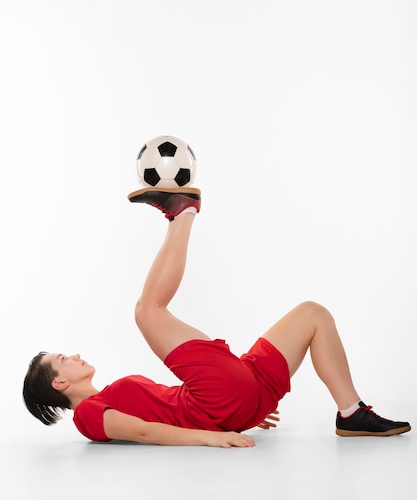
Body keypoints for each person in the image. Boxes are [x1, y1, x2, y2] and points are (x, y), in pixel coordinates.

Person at [23, 187, 411, 448]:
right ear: (59, 383)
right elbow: (144, 432)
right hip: (219, 405)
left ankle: (351, 413)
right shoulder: (88, 416)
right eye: (62, 361)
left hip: (236, 401)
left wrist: (235, 415)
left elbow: (158, 415)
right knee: (147, 312)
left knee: (313, 315)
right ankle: (183, 213)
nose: (72, 355)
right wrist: (211, 436)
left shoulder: (106, 399)